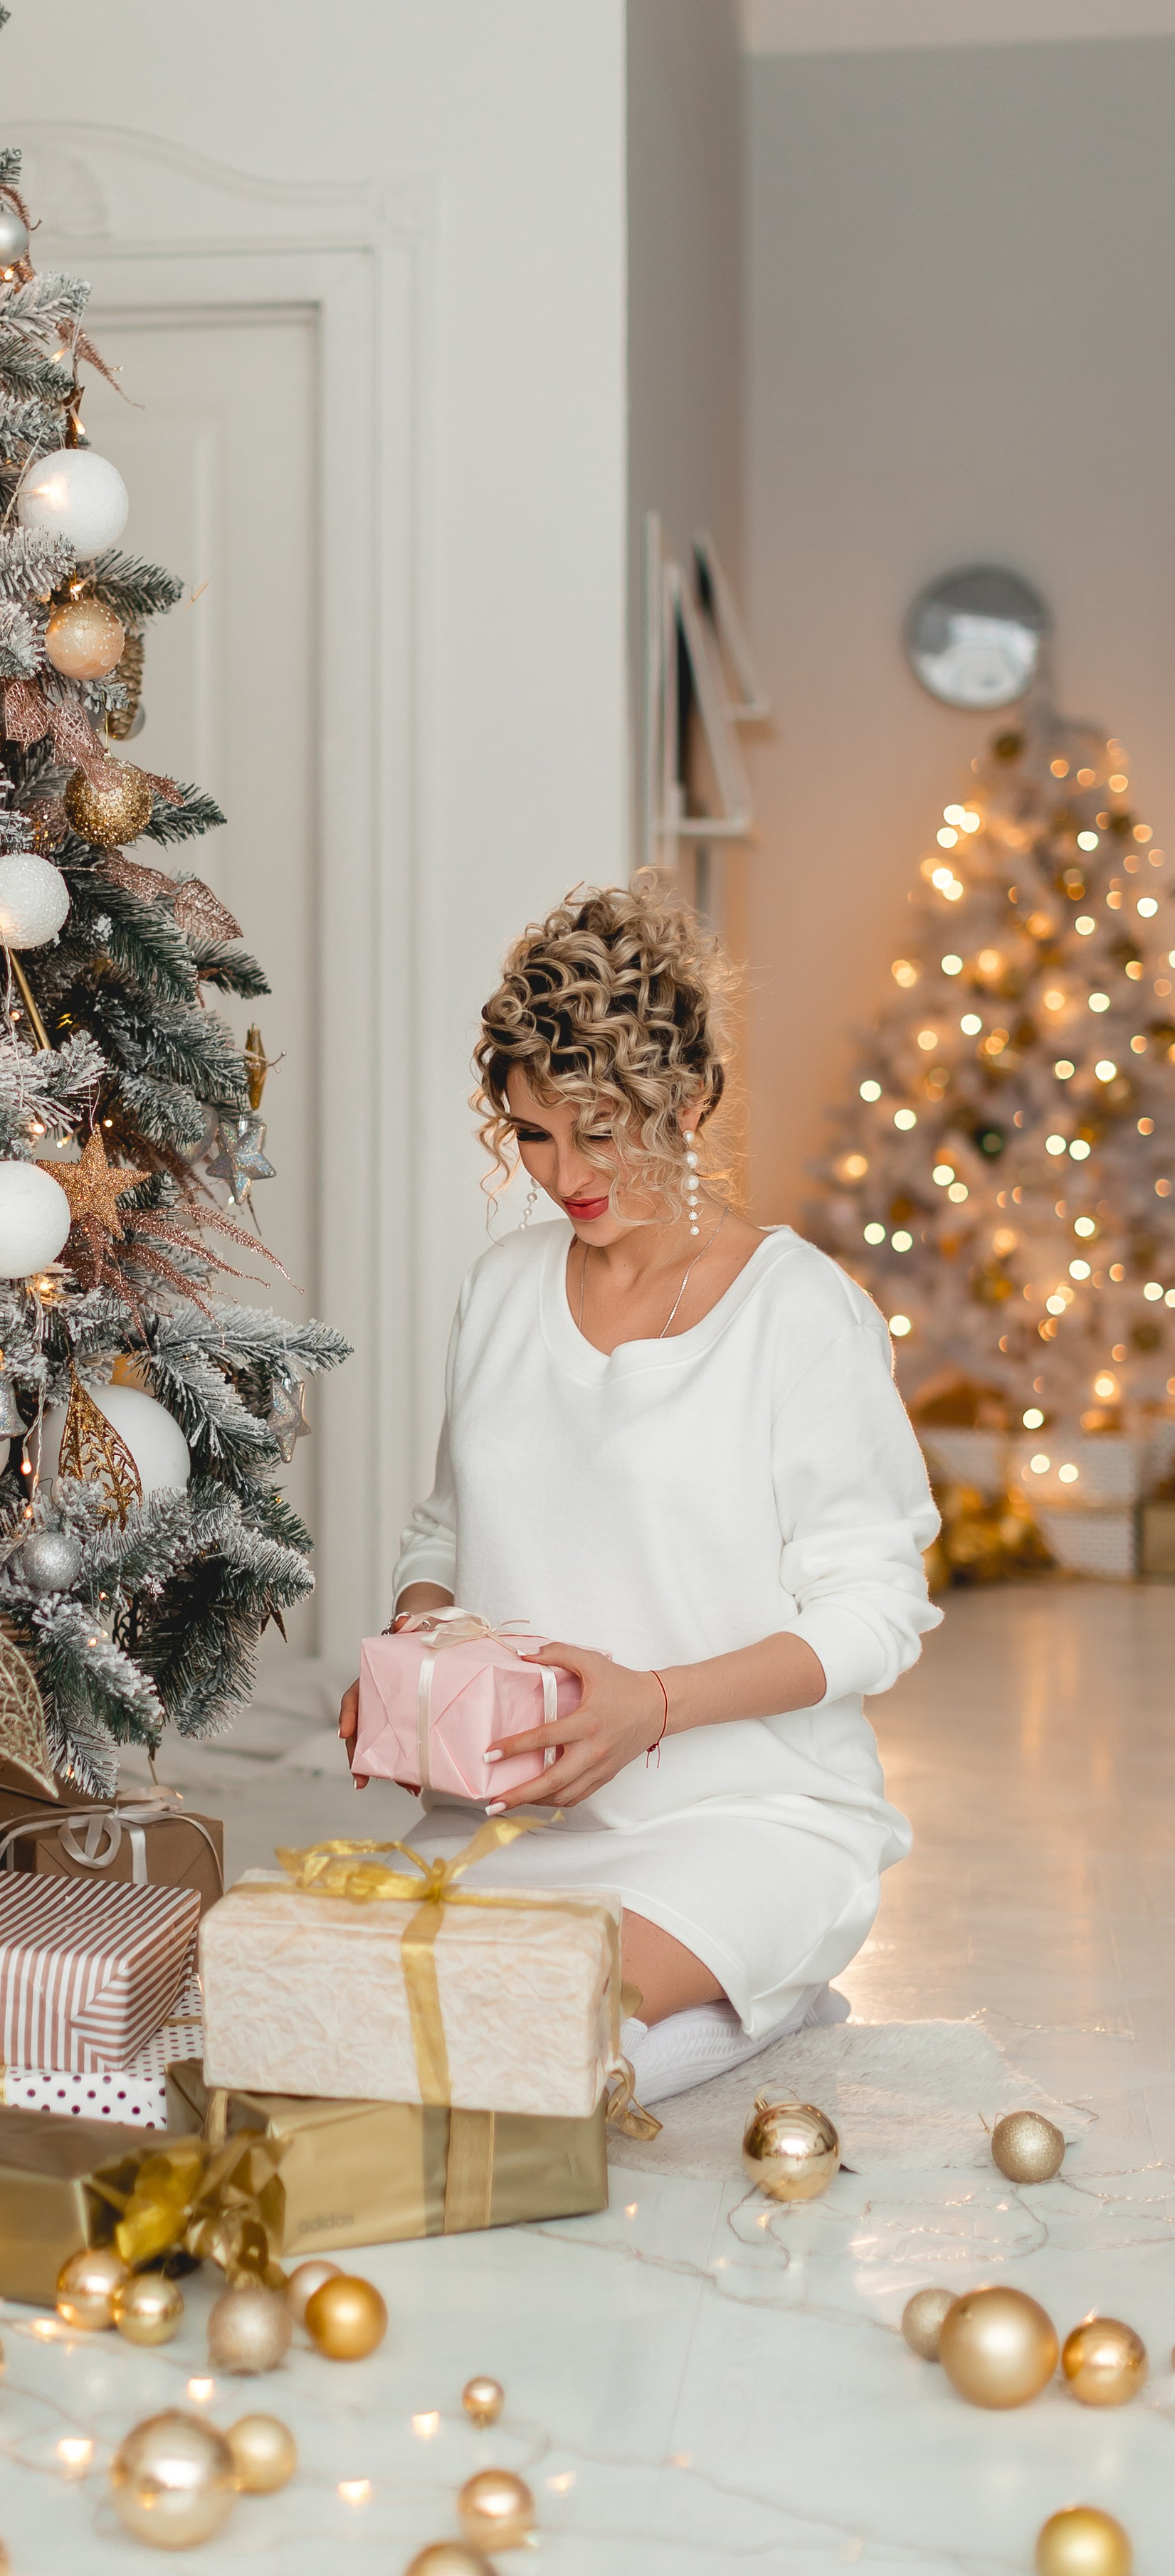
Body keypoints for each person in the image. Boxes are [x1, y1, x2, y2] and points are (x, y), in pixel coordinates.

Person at [339, 880, 940, 2106]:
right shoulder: (501, 1289)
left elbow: (877, 1611)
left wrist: (651, 1707)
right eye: (534, 1134)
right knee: (335, 2012)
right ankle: (726, 2008)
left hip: (753, 1819)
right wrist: (419, 1662)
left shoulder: (797, 1313)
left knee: (526, 2030)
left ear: (693, 1100)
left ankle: (757, 1983)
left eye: (601, 1128)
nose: (566, 1173)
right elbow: (445, 1528)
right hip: (511, 1816)